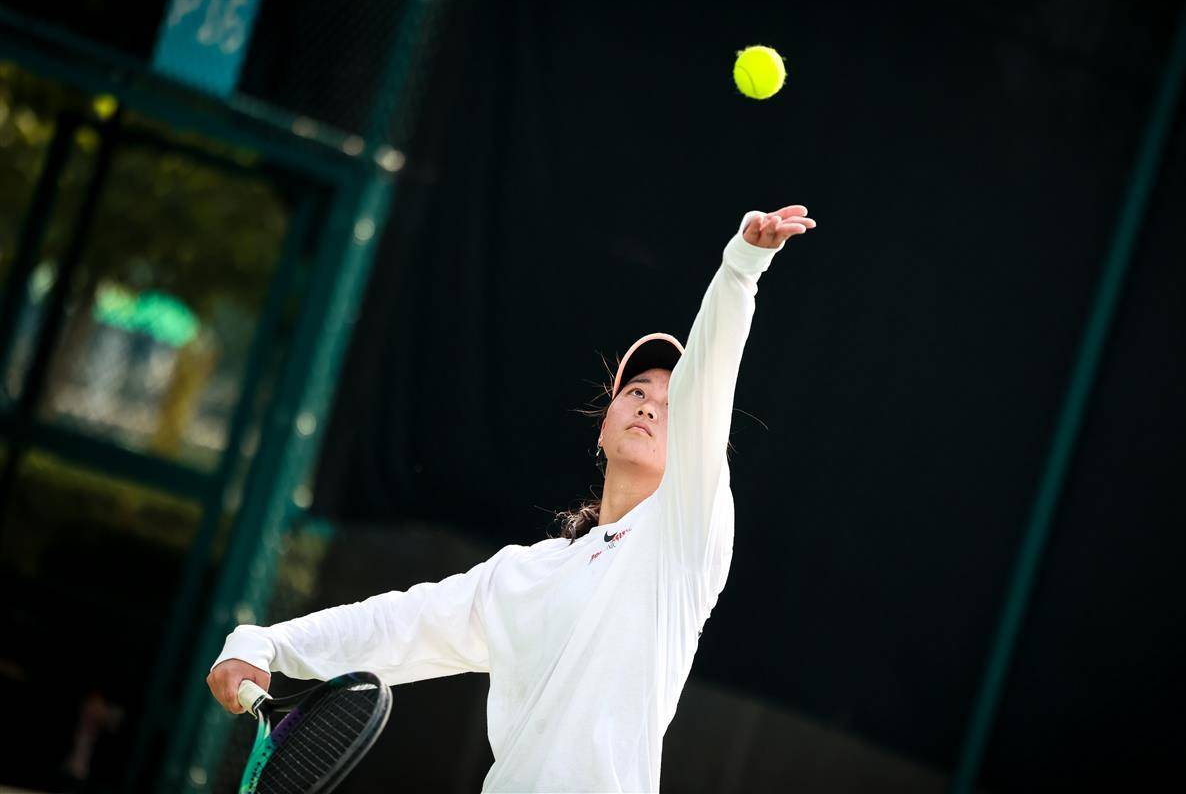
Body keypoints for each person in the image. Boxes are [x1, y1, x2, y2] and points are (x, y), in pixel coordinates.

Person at [208, 204, 817, 793]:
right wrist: (268, 644)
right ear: (603, 421)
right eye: (635, 389)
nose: (650, 403)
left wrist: (739, 270)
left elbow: (709, 381)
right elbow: (399, 623)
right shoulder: (525, 574)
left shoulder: (686, 538)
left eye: (670, 400)